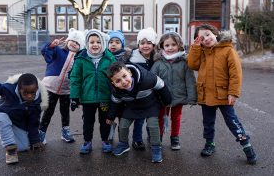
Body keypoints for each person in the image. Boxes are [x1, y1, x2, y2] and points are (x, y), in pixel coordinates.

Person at [187, 23, 257, 165]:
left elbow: (235, 73)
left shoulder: (228, 50)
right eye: (201, 38)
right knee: (208, 122)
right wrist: (195, 47)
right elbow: (192, 65)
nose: (206, 39)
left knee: (232, 121)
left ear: (215, 33)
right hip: (206, 94)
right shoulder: (201, 52)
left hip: (223, 94)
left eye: (208, 34)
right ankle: (209, 143)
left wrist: (233, 92)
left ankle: (246, 145)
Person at [0, 73, 48, 164]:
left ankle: (18, 137)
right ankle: (10, 149)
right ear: (19, 88)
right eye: (25, 93)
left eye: (32, 92)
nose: (29, 96)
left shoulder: (36, 102)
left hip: (18, 123)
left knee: (23, 147)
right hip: (4, 114)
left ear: (36, 89)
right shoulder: (9, 89)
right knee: (1, 118)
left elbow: (33, 122)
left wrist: (35, 140)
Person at [106, 62, 172, 163]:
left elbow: (161, 84)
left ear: (130, 72)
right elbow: (115, 103)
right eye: (118, 81)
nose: (124, 82)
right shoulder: (116, 91)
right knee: (123, 124)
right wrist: (110, 117)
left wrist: (167, 101)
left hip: (150, 104)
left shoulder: (146, 79)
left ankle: (156, 149)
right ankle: (123, 144)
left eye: (124, 76)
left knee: (152, 125)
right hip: (132, 106)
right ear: (113, 83)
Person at [70, 29, 116, 154]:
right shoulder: (81, 58)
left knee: (105, 121)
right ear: (87, 43)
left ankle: (105, 141)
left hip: (104, 97)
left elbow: (115, 76)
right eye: (91, 42)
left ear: (103, 43)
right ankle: (87, 141)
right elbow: (75, 78)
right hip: (87, 97)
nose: (95, 45)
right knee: (88, 121)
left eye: (98, 42)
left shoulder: (109, 58)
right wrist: (74, 97)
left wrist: (116, 95)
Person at [151, 32, 197, 150]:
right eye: (167, 45)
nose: (170, 48)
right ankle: (159, 138)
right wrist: (152, 97)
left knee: (176, 117)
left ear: (179, 45)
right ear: (162, 46)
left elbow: (190, 80)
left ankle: (175, 138)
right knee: (160, 118)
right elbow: (152, 80)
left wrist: (192, 97)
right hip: (162, 98)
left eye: (173, 44)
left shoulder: (184, 63)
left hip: (178, 97)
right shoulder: (158, 63)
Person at [39, 28, 85, 144]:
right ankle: (41, 132)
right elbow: (47, 56)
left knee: (65, 112)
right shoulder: (58, 51)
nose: (74, 44)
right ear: (68, 40)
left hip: (66, 90)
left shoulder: (79, 59)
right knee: (48, 111)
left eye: (78, 43)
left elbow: (81, 77)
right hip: (50, 87)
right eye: (73, 41)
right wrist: (51, 46)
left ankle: (65, 131)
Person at [128, 27, 159, 150]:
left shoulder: (156, 58)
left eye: (149, 43)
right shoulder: (133, 59)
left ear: (154, 44)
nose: (145, 46)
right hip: (139, 93)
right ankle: (137, 139)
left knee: (152, 117)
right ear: (138, 44)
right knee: (139, 118)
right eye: (142, 43)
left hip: (154, 93)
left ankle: (152, 137)